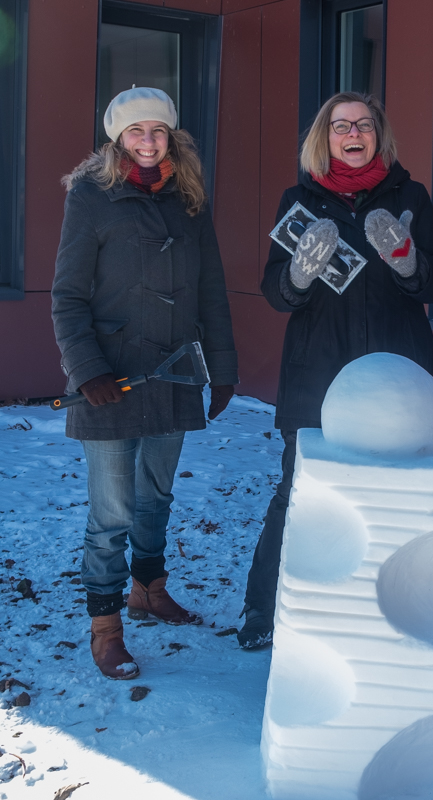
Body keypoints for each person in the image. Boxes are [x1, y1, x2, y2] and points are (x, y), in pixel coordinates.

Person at [237, 91, 433, 650]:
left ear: (378, 133)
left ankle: (420, 607)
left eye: (363, 123)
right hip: (318, 372)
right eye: (340, 125)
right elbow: (275, 293)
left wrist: (410, 262)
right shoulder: (299, 198)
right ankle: (263, 609)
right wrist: (300, 275)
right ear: (324, 136)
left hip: (397, 374)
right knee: (298, 492)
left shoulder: (411, 196)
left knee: (403, 493)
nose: (352, 133)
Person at [52, 87, 238, 680]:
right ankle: (106, 627)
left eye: (158, 131)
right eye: (137, 132)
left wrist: (224, 368)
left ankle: (149, 588)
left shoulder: (188, 200)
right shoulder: (91, 196)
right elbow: (68, 296)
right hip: (111, 381)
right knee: (111, 512)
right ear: (117, 138)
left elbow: (211, 290)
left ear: (171, 136)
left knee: (156, 496)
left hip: (176, 373)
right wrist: (87, 370)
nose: (149, 141)